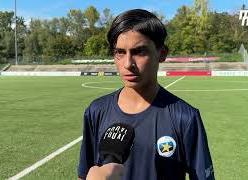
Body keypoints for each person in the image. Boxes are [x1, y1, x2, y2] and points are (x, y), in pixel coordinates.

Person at [78, 9, 215, 180]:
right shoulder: (96, 111)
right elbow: (84, 174)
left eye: (139, 51)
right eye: (120, 52)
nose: (128, 64)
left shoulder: (185, 117)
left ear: (162, 53)